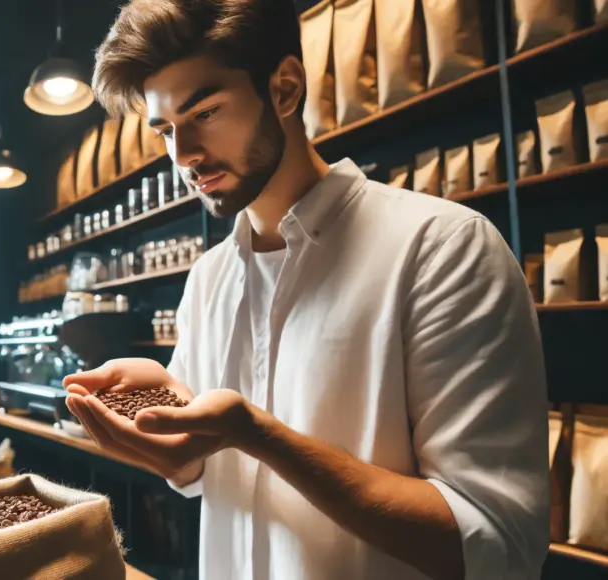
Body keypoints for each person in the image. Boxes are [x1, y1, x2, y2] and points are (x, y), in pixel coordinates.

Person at [62, 1, 549, 579]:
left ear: (286, 89)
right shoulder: (209, 277)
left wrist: (258, 435)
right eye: (166, 129)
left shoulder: (443, 249)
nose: (184, 155)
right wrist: (175, 441)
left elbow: (496, 543)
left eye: (207, 111)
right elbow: (206, 471)